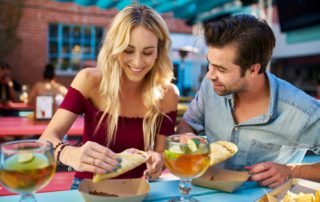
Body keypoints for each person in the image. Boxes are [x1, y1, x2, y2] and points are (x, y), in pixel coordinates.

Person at [40, 4, 178, 188]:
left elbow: (161, 153)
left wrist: (158, 159)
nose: (137, 62)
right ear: (114, 47)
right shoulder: (89, 80)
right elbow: (46, 138)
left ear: (159, 52)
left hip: (138, 190)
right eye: (128, 50)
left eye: (147, 52)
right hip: (87, 187)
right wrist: (70, 154)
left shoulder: (168, 94)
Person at [177, 14, 320, 188]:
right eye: (210, 64)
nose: (210, 75)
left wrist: (291, 171)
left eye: (221, 69)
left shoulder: (304, 112)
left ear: (253, 70)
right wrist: (187, 138)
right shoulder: (211, 86)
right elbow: (189, 122)